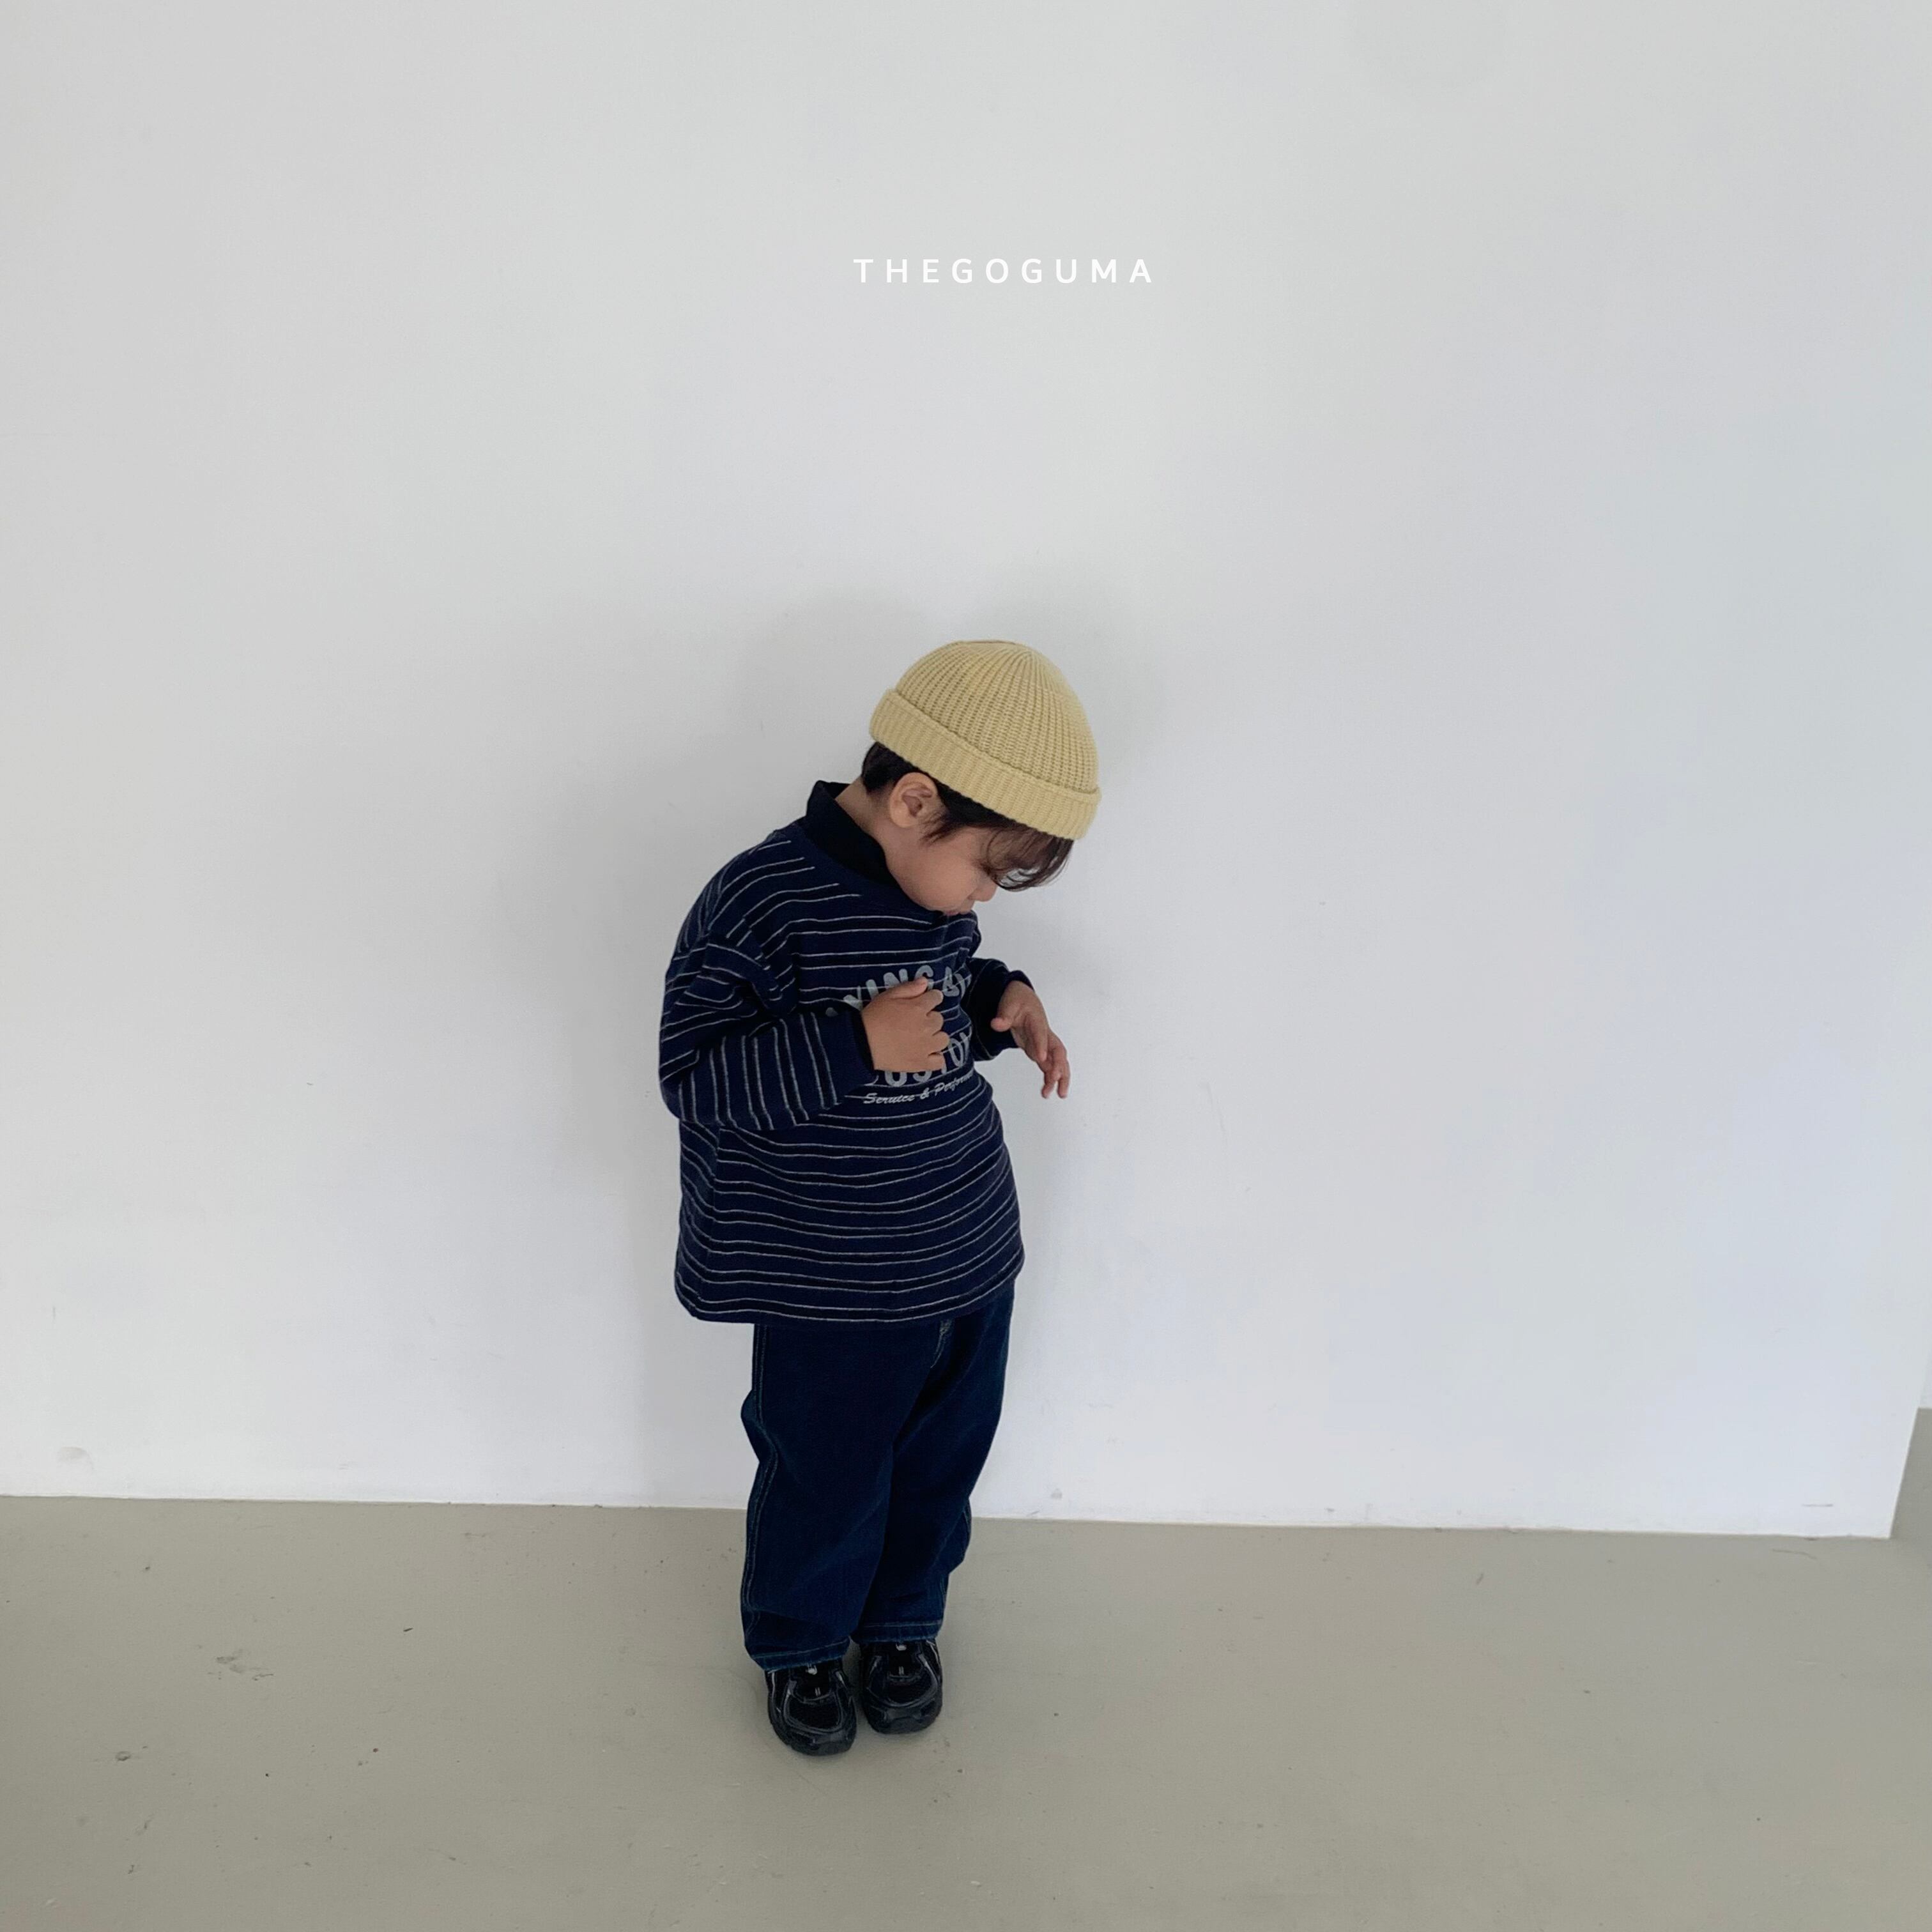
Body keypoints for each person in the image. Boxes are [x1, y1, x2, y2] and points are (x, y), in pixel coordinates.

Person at [658, 638, 1100, 1755]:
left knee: (943, 1455)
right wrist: (854, 1041)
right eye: (990, 871)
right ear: (914, 800)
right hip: (833, 1276)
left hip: (962, 1246)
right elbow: (697, 1077)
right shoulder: (759, 901)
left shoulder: (923, 882)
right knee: (827, 1466)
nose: (984, 896)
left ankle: (904, 1620)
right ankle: (803, 1640)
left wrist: (1001, 999)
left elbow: (936, 996)